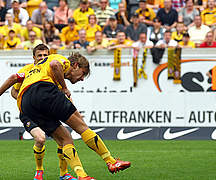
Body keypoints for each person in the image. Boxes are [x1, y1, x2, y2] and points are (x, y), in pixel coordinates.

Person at [3, 51, 131, 179]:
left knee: (66, 139)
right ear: (75, 65)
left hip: (26, 105)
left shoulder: (36, 70)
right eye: (83, 73)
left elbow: (13, 79)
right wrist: (65, 88)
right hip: (43, 90)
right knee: (82, 128)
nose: (82, 78)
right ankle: (111, 161)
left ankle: (82, 176)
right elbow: (54, 64)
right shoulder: (60, 60)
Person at [0, 44, 77, 180]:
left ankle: (64, 174)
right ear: (34, 58)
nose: (42, 57)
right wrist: (28, 102)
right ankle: (39, 171)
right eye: (39, 55)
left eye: (45, 55)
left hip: (46, 110)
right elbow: (13, 90)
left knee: (63, 141)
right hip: (29, 112)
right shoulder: (28, 70)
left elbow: (61, 92)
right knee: (40, 138)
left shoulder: (51, 70)